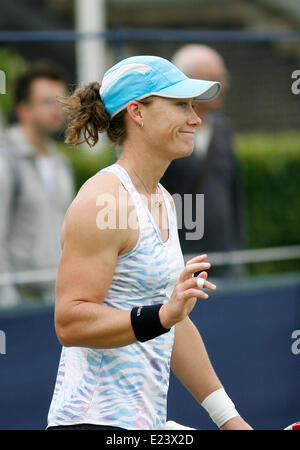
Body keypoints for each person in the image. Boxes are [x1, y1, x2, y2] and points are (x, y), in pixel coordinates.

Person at [46, 55, 252, 430]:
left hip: (141, 427)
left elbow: (174, 322)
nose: (196, 118)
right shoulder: (102, 199)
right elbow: (70, 321)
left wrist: (231, 421)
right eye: (180, 106)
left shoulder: (162, 201)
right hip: (90, 424)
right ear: (137, 112)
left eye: (192, 106)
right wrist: (161, 315)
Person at [161, 45, 245, 278]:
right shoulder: (163, 133)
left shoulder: (223, 129)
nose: (222, 87)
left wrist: (237, 247)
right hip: (180, 262)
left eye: (223, 78)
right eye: (213, 79)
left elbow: (234, 192)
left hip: (225, 258)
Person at [0, 61, 74, 308]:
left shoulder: (61, 163)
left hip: (55, 298)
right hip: (18, 302)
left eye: (61, 102)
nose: (58, 110)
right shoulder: (5, 162)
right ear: (23, 110)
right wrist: (8, 300)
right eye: (47, 102)